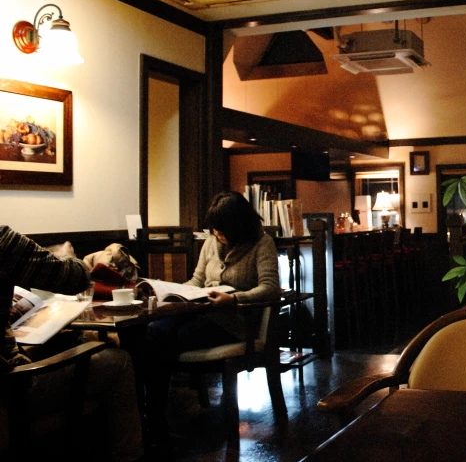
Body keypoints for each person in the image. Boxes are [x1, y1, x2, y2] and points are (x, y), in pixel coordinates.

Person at [0, 225, 144, 461]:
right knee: (118, 362)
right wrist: (65, 255)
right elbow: (75, 278)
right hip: (9, 392)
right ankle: (129, 455)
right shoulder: (4, 243)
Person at [144, 191, 280, 438]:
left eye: (222, 230)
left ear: (239, 226)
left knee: (164, 340)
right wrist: (173, 293)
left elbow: (270, 289)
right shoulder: (210, 241)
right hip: (200, 312)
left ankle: (154, 418)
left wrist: (235, 298)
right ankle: (151, 415)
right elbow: (197, 280)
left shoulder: (262, 243)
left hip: (234, 322)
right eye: (215, 230)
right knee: (153, 331)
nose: (217, 234)